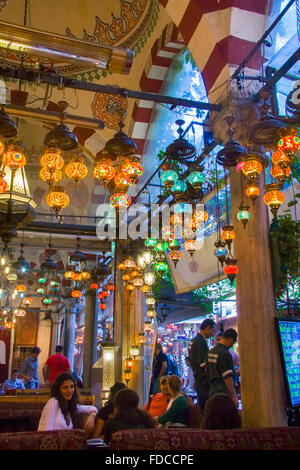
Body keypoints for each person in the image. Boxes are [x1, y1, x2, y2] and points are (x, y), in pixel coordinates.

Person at [206, 328, 238, 407]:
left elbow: (207, 371)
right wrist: (234, 396)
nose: (231, 346)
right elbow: (227, 378)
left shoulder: (211, 352)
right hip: (223, 393)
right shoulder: (225, 354)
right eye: (233, 343)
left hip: (212, 391)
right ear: (231, 340)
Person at [188, 318, 215, 410]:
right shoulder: (200, 341)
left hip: (197, 376)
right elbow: (203, 363)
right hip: (202, 378)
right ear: (207, 328)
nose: (212, 333)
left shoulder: (194, 340)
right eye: (212, 330)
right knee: (206, 406)